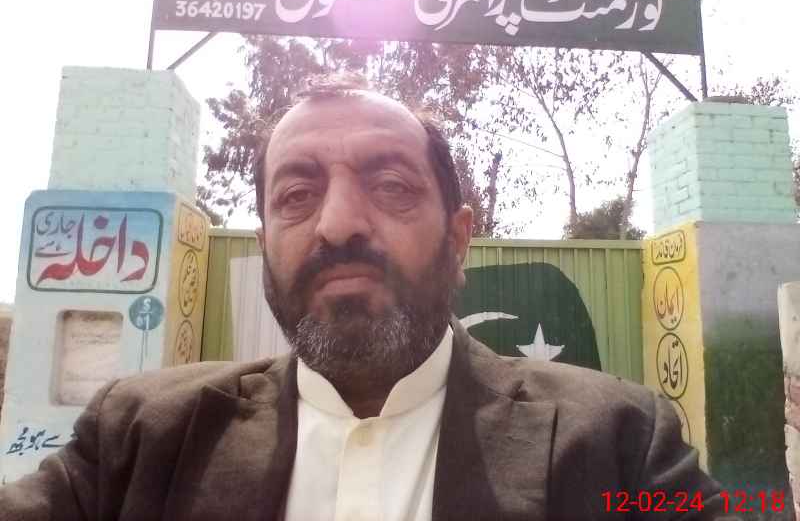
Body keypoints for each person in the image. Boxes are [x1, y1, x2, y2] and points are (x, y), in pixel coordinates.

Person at [0, 74, 724, 520]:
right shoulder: (136, 439)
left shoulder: (620, 444)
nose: (338, 223)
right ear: (266, 240)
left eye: (390, 186)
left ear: (459, 239)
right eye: (297, 194)